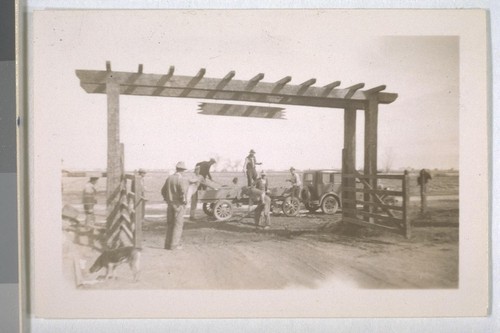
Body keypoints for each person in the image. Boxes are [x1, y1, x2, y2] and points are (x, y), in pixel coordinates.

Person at [161, 161, 189, 250]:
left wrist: (167, 199)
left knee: (170, 224)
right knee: (178, 225)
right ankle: (174, 245)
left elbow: (163, 191)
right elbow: (183, 192)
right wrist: (183, 202)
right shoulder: (182, 179)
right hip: (178, 205)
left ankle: (167, 245)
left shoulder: (169, 178)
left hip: (170, 205)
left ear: (176, 169)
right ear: (183, 170)